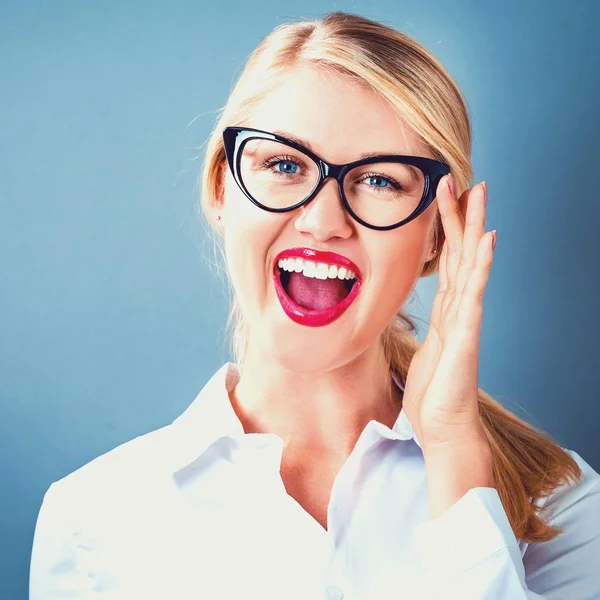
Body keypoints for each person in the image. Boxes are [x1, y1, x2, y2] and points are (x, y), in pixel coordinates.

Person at [29, 11, 599, 600]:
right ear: (223, 189)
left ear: (438, 233)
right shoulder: (90, 524)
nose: (324, 222)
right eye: (283, 165)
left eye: (381, 180)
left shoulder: (558, 503)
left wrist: (455, 453)